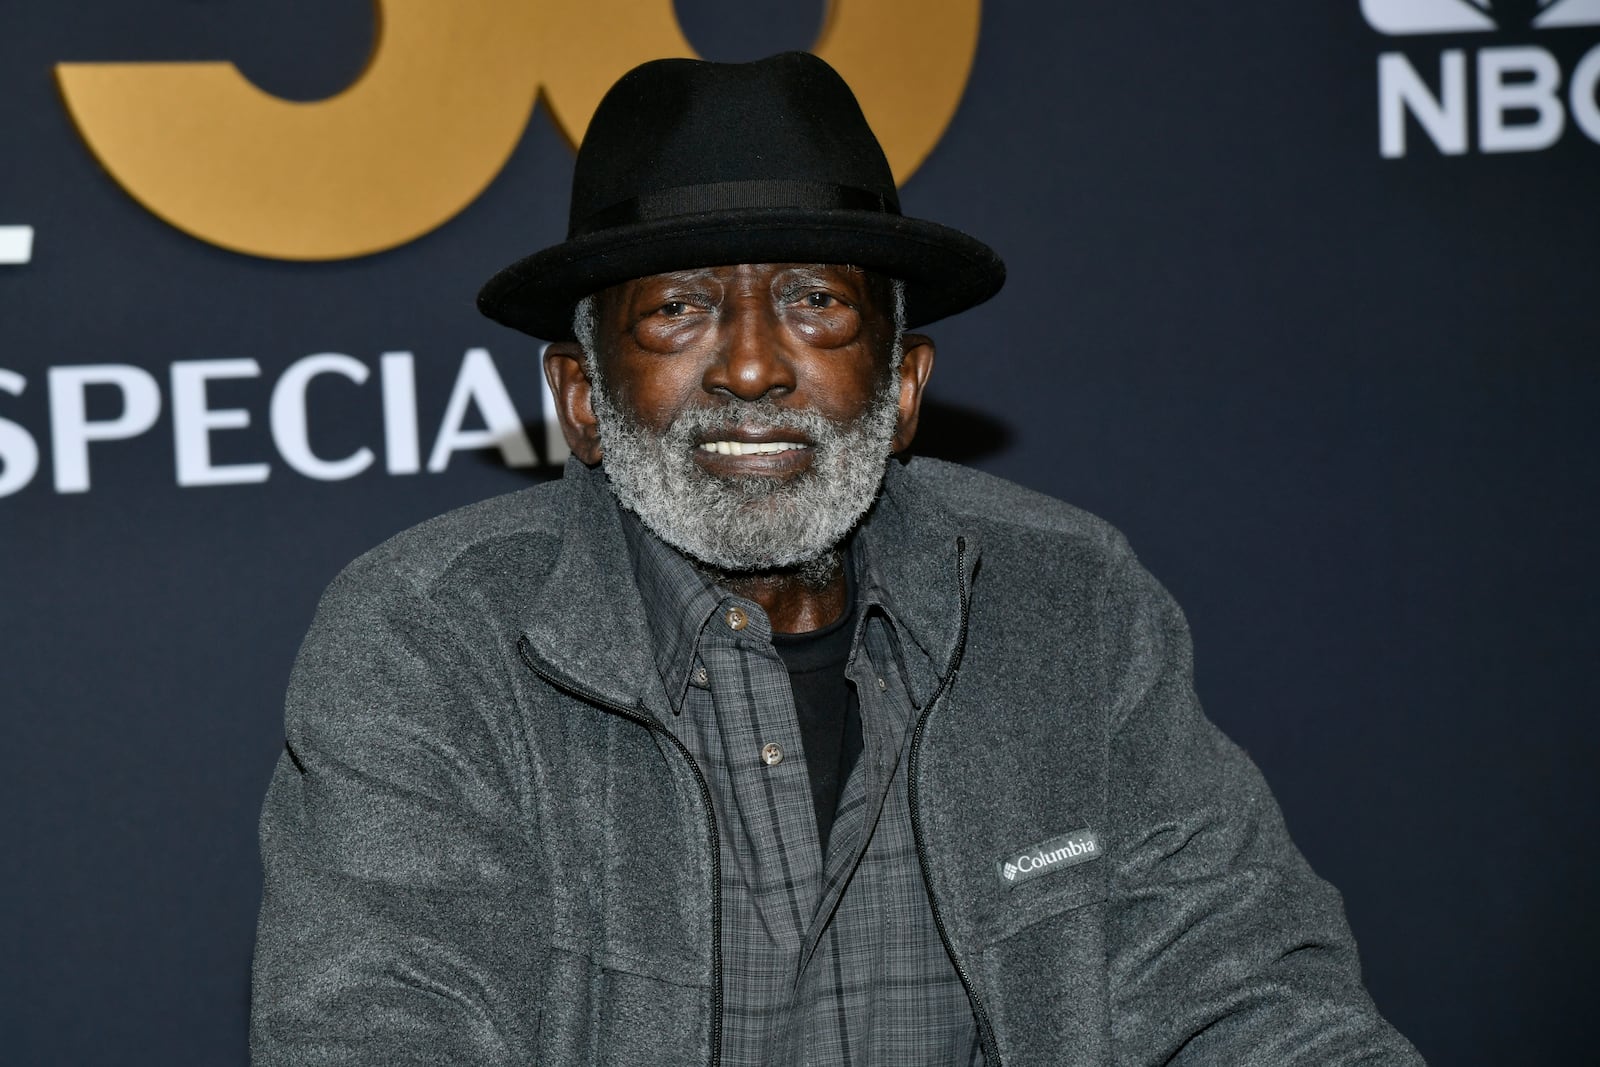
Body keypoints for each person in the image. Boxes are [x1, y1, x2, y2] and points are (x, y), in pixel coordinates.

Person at [251, 52, 1422, 1065]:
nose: (753, 367)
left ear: (903, 389)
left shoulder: (1065, 602)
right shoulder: (428, 639)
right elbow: (385, 1028)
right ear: (584, 398)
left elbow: (1242, 993)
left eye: (815, 302)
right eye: (679, 309)